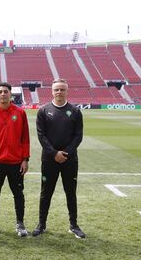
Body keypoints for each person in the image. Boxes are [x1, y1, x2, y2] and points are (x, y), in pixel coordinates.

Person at [33, 78, 86, 238]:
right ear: (52, 91)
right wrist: (54, 153)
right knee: (45, 193)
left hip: (70, 160)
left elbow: (78, 136)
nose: (59, 92)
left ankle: (73, 225)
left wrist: (67, 153)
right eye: (57, 89)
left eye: (62, 89)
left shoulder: (75, 111)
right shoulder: (43, 110)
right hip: (49, 160)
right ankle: (41, 224)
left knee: (71, 192)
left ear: (67, 91)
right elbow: (41, 135)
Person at [0, 82, 30, 237]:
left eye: (5, 92)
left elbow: (25, 138)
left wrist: (25, 159)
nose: (3, 94)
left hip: (16, 162)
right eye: (0, 92)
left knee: (18, 194)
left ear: (11, 94)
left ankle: (20, 224)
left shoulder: (20, 113)